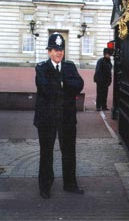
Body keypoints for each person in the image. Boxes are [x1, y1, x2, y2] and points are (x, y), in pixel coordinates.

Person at [34, 32, 84, 198]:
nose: (58, 52)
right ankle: (45, 187)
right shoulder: (41, 68)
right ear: (49, 51)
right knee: (46, 153)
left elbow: (79, 84)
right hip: (46, 119)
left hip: (66, 118)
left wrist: (62, 84)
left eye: (61, 49)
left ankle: (70, 184)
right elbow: (45, 88)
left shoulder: (70, 66)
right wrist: (65, 85)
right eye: (55, 49)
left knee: (69, 152)